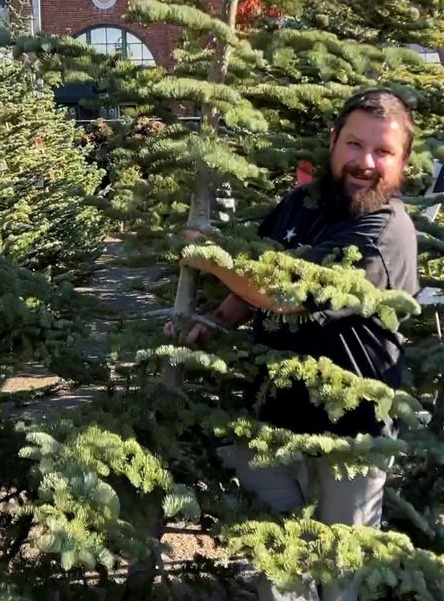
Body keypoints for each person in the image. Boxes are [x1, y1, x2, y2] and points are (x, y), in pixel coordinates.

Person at [174, 88, 420, 601]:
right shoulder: (302, 204)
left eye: (383, 152)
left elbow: (284, 295)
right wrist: (216, 320)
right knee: (277, 565)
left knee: (339, 576)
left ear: (403, 164)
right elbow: (257, 275)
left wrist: (210, 258)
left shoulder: (384, 231)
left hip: (351, 435)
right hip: (273, 418)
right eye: (355, 144)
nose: (366, 162)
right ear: (333, 142)